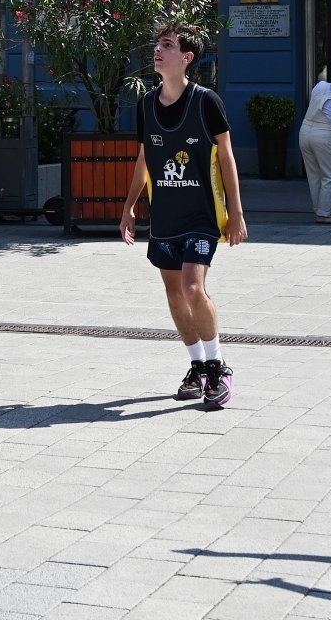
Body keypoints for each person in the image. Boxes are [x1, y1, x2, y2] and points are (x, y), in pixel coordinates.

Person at [119, 22, 247, 409]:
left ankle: (217, 365)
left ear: (186, 58)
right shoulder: (146, 104)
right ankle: (196, 367)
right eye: (157, 45)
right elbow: (144, 158)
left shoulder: (206, 100)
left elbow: (226, 155)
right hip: (165, 217)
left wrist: (238, 213)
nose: (158, 51)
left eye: (168, 45)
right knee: (174, 292)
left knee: (193, 286)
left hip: (203, 215)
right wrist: (128, 209)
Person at [298, 71, 331, 223]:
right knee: (329, 175)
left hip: (305, 131)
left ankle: (318, 209)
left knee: (313, 175)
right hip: (324, 133)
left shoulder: (320, 86)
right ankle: (324, 213)